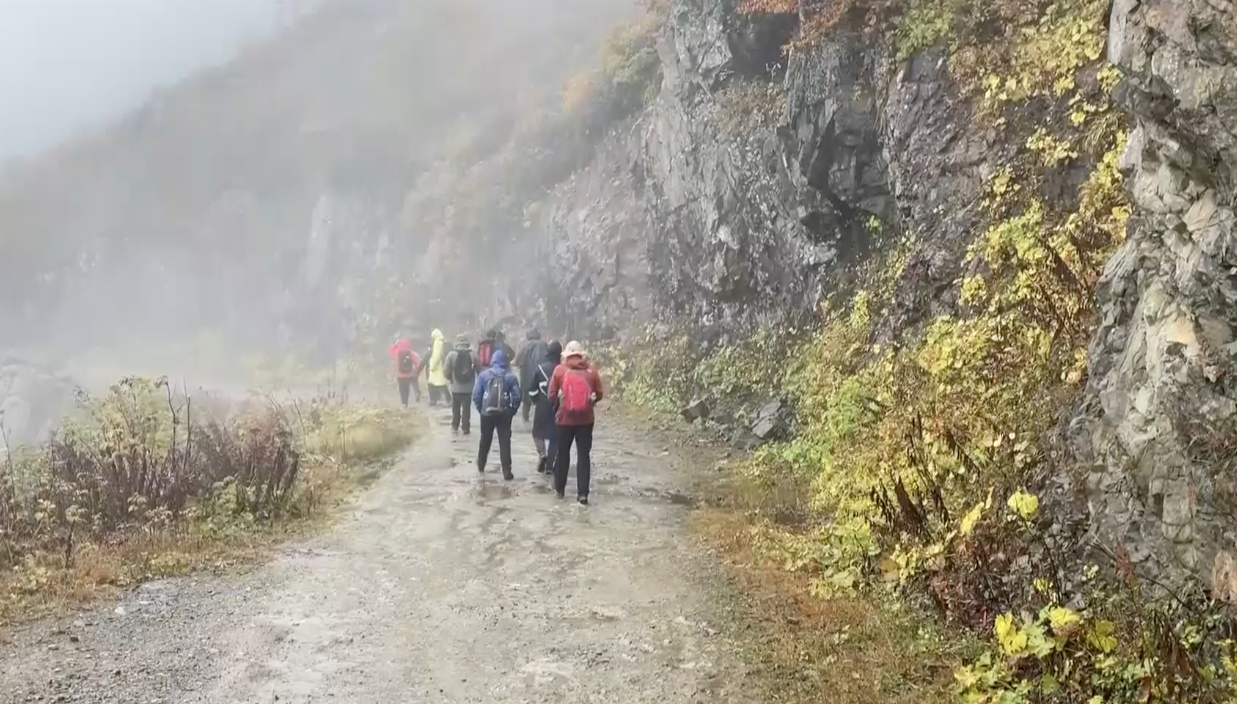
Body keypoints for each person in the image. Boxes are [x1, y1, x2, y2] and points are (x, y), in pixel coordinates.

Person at [548, 341, 604, 505]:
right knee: (583, 456)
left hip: (564, 420)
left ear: (566, 355)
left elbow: (551, 395)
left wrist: (559, 398)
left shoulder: (559, 370)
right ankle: (582, 494)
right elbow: (599, 394)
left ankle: (559, 489)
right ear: (582, 354)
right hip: (586, 420)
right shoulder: (591, 371)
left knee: (563, 453)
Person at [472, 349, 521, 480]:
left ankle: (481, 465)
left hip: (486, 414)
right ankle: (506, 471)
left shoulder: (483, 375)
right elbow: (517, 396)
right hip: (504, 413)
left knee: (485, 439)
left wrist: (481, 410)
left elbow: (476, 396)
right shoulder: (510, 376)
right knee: (504, 441)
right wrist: (511, 411)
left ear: (493, 360)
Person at [530, 340, 561, 475]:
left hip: (542, 406)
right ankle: (549, 466)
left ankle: (542, 453)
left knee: (537, 433)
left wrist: (536, 400)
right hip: (558, 407)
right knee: (555, 437)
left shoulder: (540, 368)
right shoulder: (562, 370)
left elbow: (532, 390)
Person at [444, 333, 478, 435]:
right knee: (466, 408)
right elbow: (480, 369)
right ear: (467, 343)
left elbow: (445, 370)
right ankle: (465, 428)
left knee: (456, 408)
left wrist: (450, 378)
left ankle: (455, 426)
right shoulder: (473, 354)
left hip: (455, 388)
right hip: (468, 388)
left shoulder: (451, 355)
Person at [515, 328, 549, 423]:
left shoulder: (524, 347)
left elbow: (517, 362)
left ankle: (525, 418)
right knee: (541, 398)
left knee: (526, 399)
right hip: (540, 375)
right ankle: (540, 419)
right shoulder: (544, 345)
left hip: (526, 378)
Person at [388, 333, 422, 406]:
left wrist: (395, 344)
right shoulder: (410, 352)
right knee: (407, 389)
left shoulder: (397, 352)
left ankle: (404, 403)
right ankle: (410, 398)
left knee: (402, 390)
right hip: (409, 375)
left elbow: (390, 350)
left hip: (400, 376)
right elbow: (417, 361)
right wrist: (415, 370)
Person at [423, 329, 449, 406]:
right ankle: (437, 400)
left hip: (436, 367)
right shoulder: (441, 342)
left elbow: (436, 356)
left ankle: (435, 400)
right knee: (436, 384)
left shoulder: (437, 343)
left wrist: (432, 365)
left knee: (438, 384)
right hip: (438, 366)